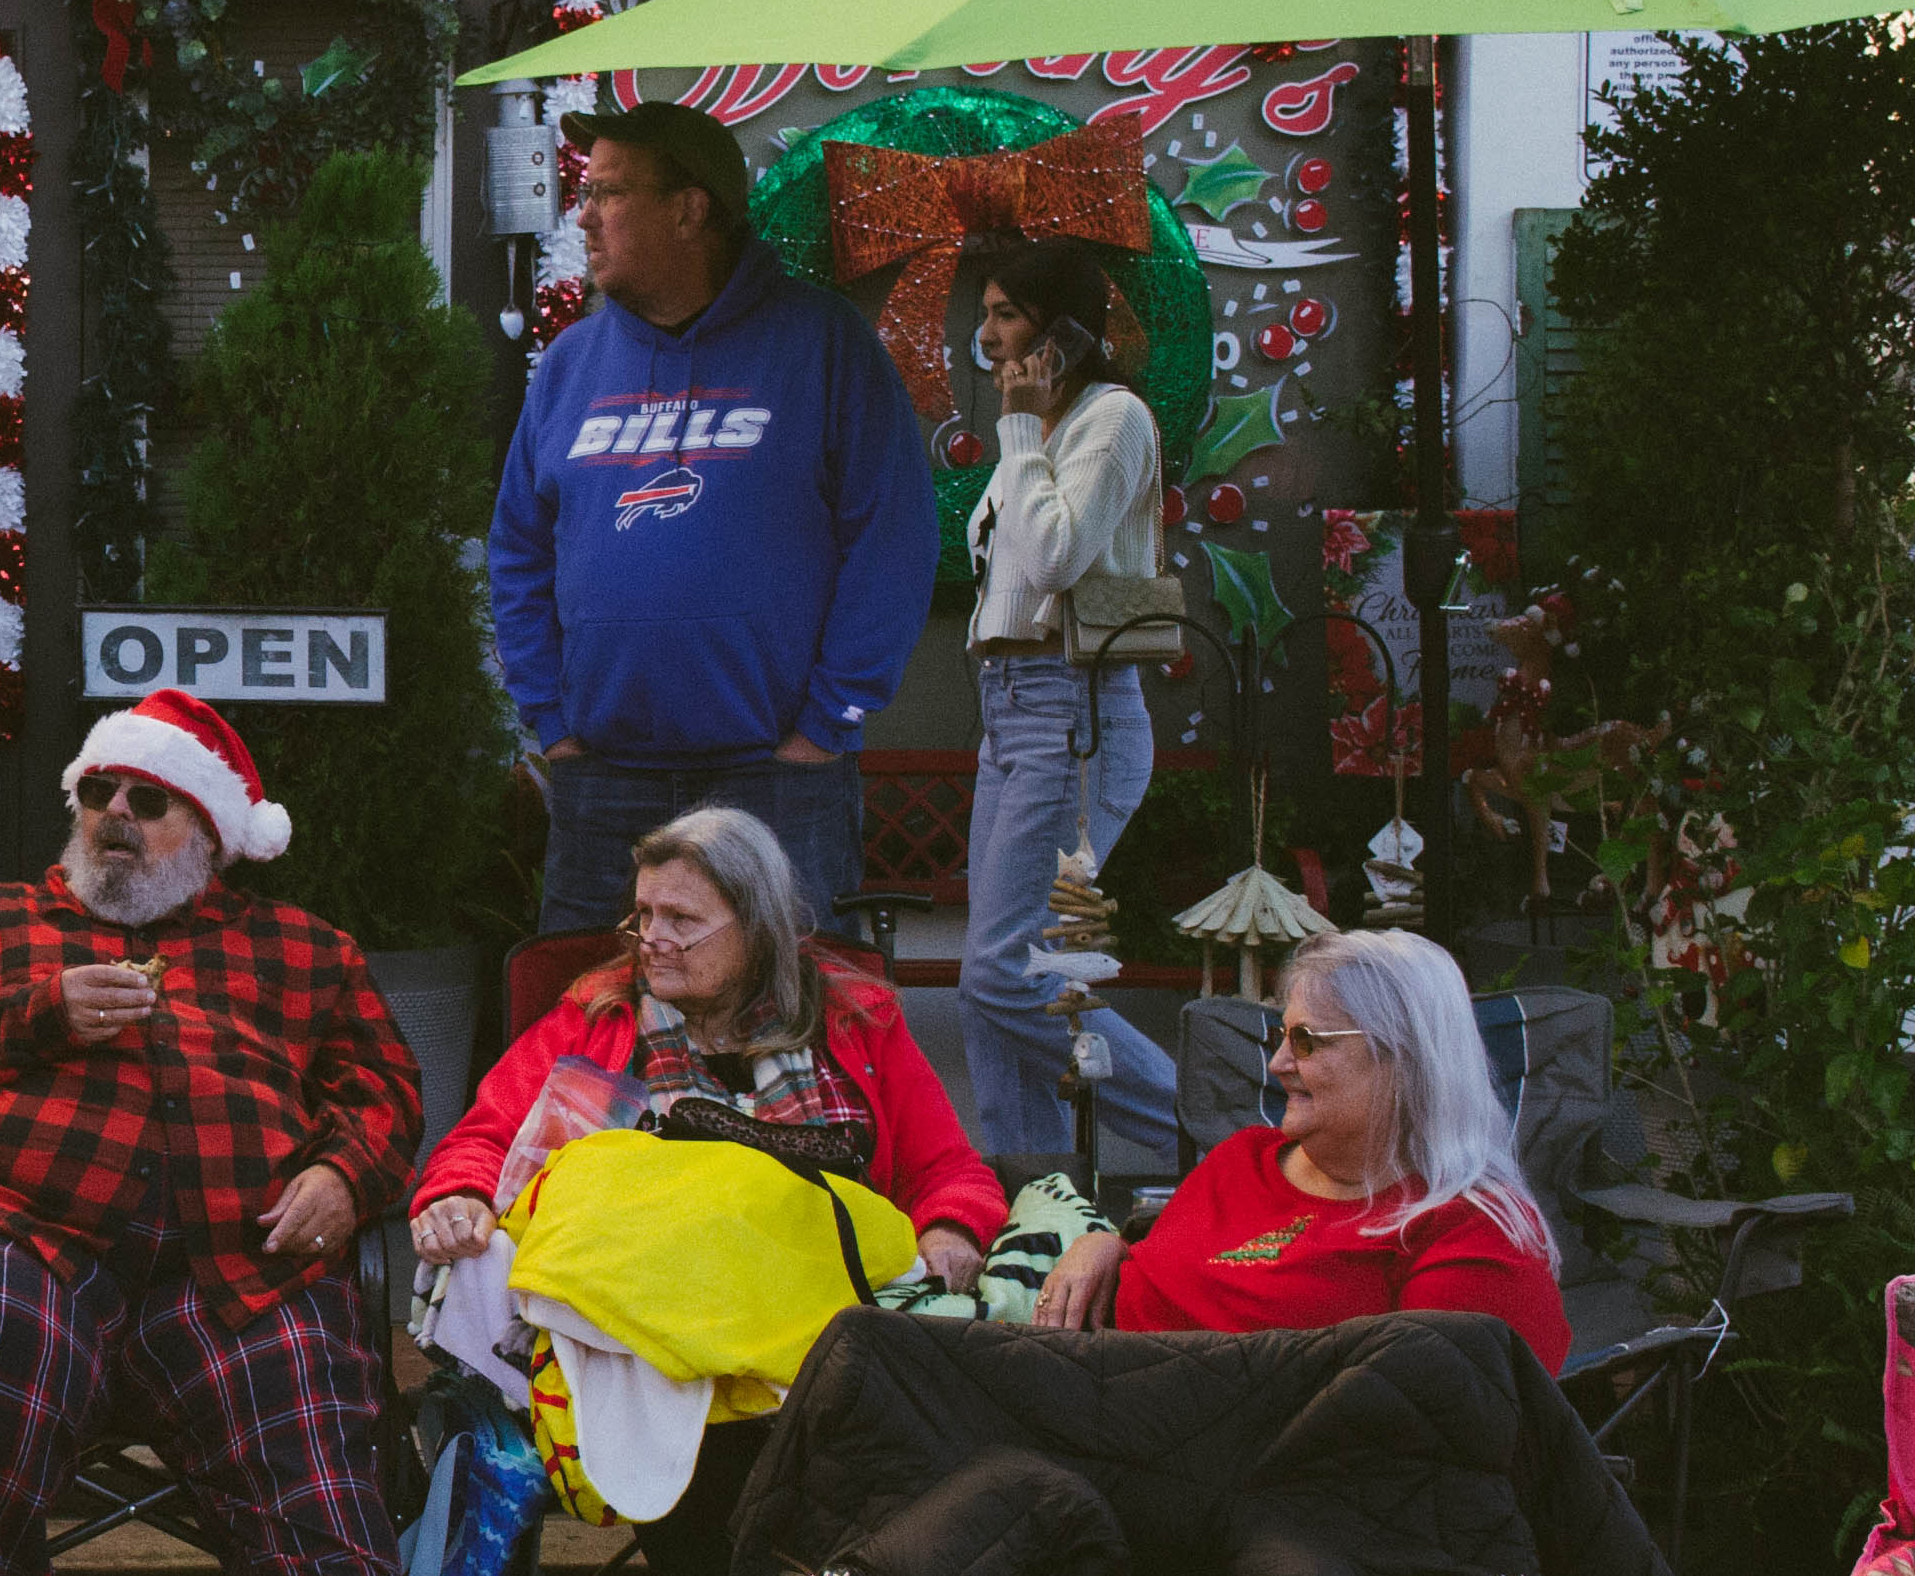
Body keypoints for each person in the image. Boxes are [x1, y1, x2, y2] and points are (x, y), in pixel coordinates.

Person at [0, 689, 468, 1576]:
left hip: (233, 1253)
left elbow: (384, 1091)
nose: (116, 815)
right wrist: (36, 1015)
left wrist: (345, 1177)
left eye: (150, 801)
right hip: (25, 1229)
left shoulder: (302, 949)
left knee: (302, 1369)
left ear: (212, 835)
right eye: (99, 792)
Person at [411, 804, 999, 1576]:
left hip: (812, 1311)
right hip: (647, 1320)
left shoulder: (854, 1020)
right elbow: (484, 1137)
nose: (653, 940)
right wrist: (460, 1196)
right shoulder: (597, 1016)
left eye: (683, 920)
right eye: (643, 916)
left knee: (830, 1387)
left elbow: (949, 1168)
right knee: (662, 1384)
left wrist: (952, 1229)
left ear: (758, 925)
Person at [487, 100, 937, 935]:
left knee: (788, 1004)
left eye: (609, 193)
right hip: (604, 781)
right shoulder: (572, 364)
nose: (583, 216)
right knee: (589, 1004)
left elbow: (894, 540)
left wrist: (828, 722)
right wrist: (550, 719)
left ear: (690, 209)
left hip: (778, 780)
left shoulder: (823, 344)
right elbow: (518, 549)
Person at [1032, 929, 1568, 1367]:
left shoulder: (1467, 1235)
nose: (1278, 1064)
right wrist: (1106, 1247)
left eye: (1307, 1041)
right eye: (1280, 1037)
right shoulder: (1243, 1159)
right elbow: (1172, 1268)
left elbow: (1438, 1431)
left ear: (1402, 1058)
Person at [957, 239, 1185, 1168]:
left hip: (1072, 711)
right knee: (993, 985)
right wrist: (1024, 435)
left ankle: (1209, 1134)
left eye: (1006, 315)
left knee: (1002, 972)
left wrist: (1018, 433)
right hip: (1011, 711)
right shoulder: (1044, 429)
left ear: (1062, 333)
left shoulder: (1111, 419)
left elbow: (1056, 559)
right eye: (987, 313)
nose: (987, 335)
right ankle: (1033, 1194)